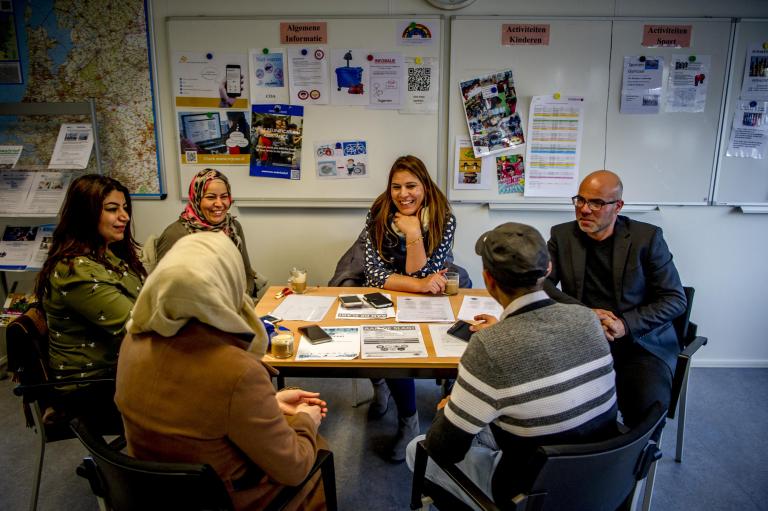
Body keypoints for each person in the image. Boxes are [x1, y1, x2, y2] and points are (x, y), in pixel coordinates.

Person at [407, 223, 618, 508]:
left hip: (527, 493)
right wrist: (504, 329)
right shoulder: (587, 319)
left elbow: (443, 450)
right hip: (598, 478)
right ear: (547, 269)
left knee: (417, 448)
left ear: (488, 280)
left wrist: (446, 411)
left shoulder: (489, 348)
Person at [115, 232, 330, 510]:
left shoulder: (134, 339)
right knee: (317, 448)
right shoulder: (235, 370)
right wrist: (305, 421)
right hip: (220, 498)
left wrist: (268, 405)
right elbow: (293, 468)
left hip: (151, 492)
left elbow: (191, 410)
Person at [545, 170, 686, 428]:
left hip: (639, 343)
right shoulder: (562, 236)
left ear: (618, 206)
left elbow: (675, 299)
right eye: (580, 200)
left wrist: (625, 325)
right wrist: (585, 314)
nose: (584, 210)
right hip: (582, 338)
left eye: (596, 203)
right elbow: (541, 286)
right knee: (551, 399)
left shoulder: (647, 238)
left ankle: (633, 465)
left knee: (647, 406)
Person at [363, 155, 457, 462]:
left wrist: (414, 232)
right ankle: (402, 410)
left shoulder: (445, 216)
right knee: (386, 347)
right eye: (396, 187)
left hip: (425, 290)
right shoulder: (378, 212)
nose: (404, 194)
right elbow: (374, 273)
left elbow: (428, 276)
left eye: (412, 186)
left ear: (425, 187)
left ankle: (444, 405)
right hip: (387, 289)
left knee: (447, 343)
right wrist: (417, 283)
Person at [34, 174, 145, 424]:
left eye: (125, 208)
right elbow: (138, 328)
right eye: (112, 209)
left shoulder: (106, 254)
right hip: (90, 387)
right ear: (86, 214)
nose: (124, 216)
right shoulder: (76, 271)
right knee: (195, 395)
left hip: (118, 370)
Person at [156, 168, 266, 297]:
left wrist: (242, 300)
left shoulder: (233, 227)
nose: (219, 204)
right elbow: (166, 290)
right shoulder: (175, 234)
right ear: (196, 198)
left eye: (224, 197)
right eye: (210, 197)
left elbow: (246, 272)